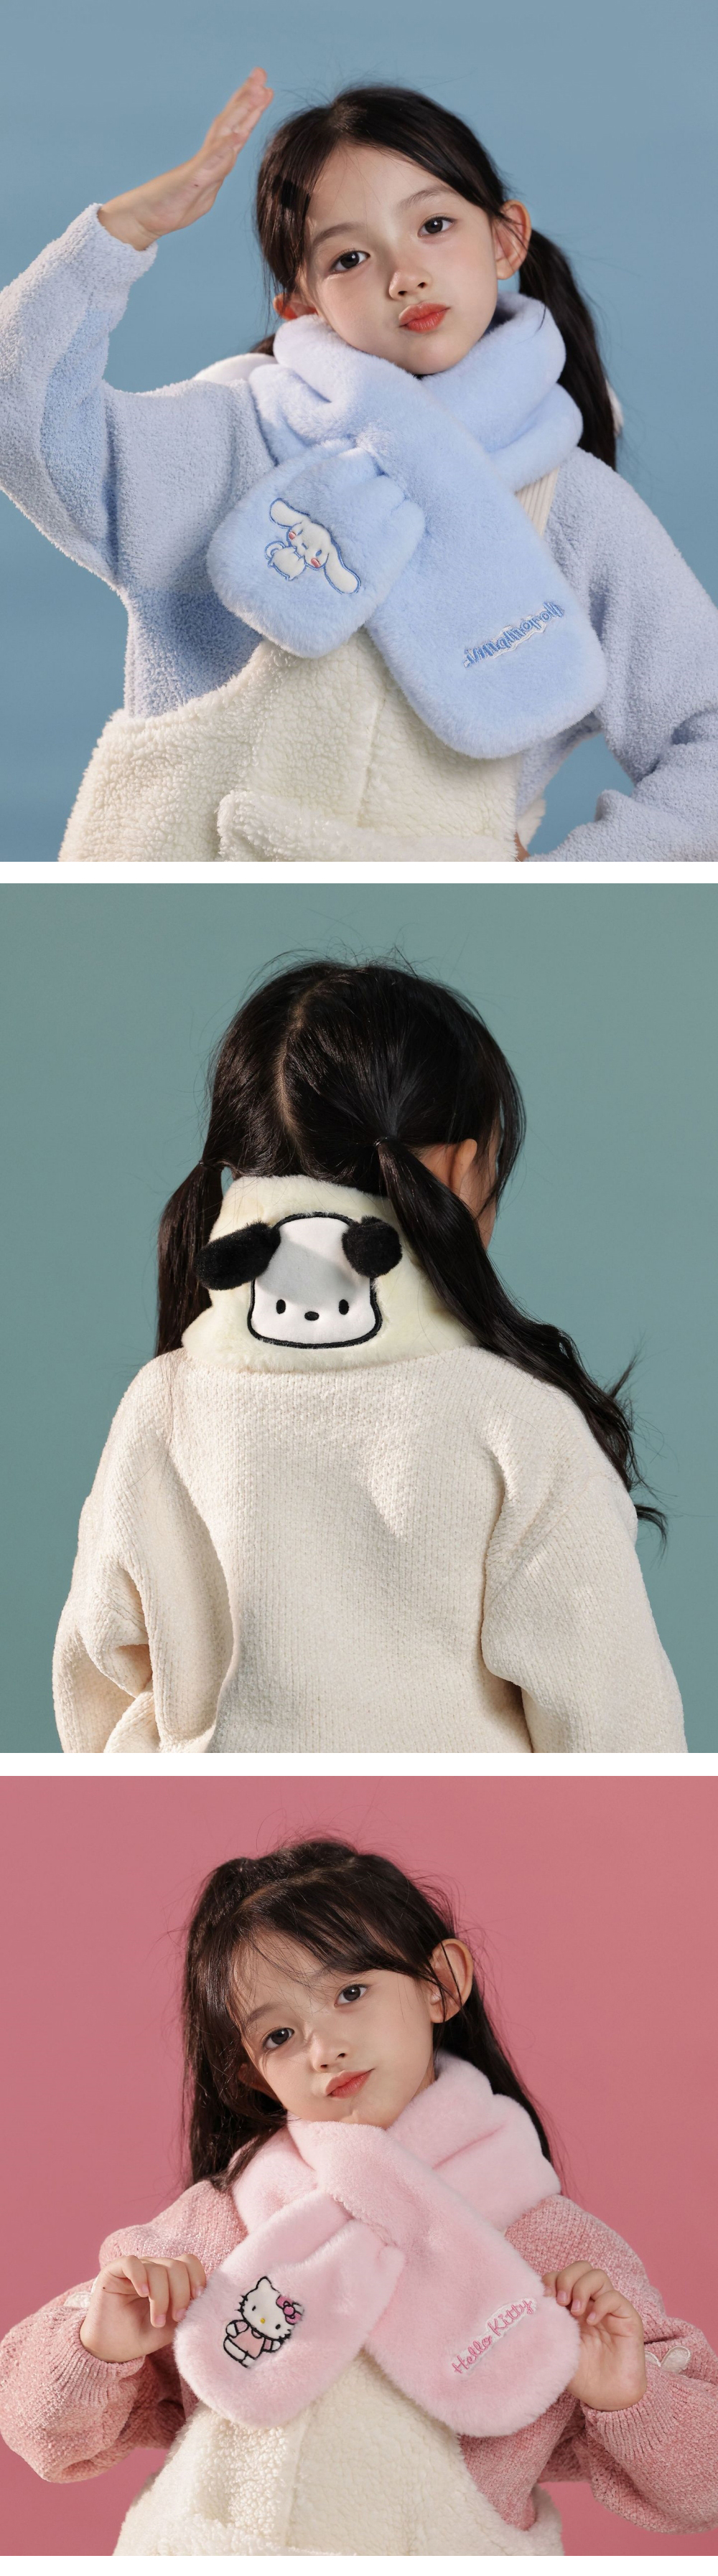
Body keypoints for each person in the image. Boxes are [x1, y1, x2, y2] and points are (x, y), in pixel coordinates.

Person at [1, 74, 717, 861]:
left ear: (506, 239)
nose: (403, 275)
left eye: (434, 225)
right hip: (174, 895)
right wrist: (120, 235)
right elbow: (20, 419)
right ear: (301, 304)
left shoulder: (572, 506)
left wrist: (561, 891)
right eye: (349, 257)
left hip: (422, 918)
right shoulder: (227, 444)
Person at [1, 1838, 716, 2554]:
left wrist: (632, 2396)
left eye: (350, 1993)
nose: (323, 2049)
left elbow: (703, 2486)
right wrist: (98, 2345)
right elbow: (37, 2431)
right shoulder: (221, 2220)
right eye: (280, 2035)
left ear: (441, 1982)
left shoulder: (551, 2246)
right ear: (253, 2074)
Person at [52, 959, 684, 1754]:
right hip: (466, 1827)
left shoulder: (162, 1406)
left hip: (197, 1817)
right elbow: (619, 1740)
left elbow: (98, 1689)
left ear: (236, 1177)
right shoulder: (520, 1423)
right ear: (461, 1171)